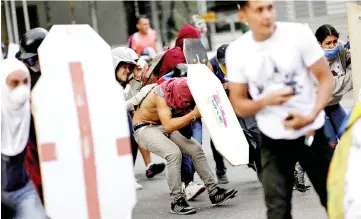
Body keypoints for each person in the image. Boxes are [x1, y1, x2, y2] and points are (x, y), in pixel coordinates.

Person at [227, 1, 334, 218]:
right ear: (243, 15)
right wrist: (264, 102)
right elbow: (238, 104)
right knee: (277, 210)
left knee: (335, 200)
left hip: (311, 133)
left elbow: (325, 79)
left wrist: (311, 115)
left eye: (270, 7)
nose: (267, 15)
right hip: (273, 140)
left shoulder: (298, 35)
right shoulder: (237, 51)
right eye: (259, 10)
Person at [132, 77, 238, 215]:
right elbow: (169, 125)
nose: (188, 105)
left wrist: (222, 88)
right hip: (144, 127)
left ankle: (214, 192)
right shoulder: (161, 95)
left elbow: (208, 89)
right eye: (186, 103)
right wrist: (193, 114)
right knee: (173, 154)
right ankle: (177, 201)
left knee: (195, 149)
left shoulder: (190, 85)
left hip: (160, 125)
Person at [208, 44, 263, 184]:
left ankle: (261, 171)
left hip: (244, 103)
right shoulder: (213, 65)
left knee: (256, 136)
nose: (226, 65)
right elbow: (207, 86)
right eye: (223, 63)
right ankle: (220, 170)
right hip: (224, 107)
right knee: (216, 140)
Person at [1, 58, 48, 219]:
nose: (21, 88)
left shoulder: (35, 111)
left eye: (25, 82)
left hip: (24, 189)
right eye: (14, 83)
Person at [112, 47, 165, 188]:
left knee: (132, 136)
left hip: (120, 113)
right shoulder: (105, 83)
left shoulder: (122, 81)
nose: (128, 70)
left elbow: (131, 102)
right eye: (125, 66)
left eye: (130, 67)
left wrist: (136, 78)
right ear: (114, 64)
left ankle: (128, 175)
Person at [16, 27, 48, 202]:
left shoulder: (61, 75)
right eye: (29, 60)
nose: (32, 64)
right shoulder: (24, 79)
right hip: (32, 143)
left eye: (34, 59)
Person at [315, 24, 353, 148]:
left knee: (348, 137)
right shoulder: (314, 61)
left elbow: (354, 62)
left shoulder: (340, 50)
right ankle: (303, 167)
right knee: (330, 143)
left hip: (333, 104)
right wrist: (354, 77)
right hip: (317, 106)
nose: (333, 46)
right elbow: (332, 86)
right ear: (319, 43)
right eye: (328, 43)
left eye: (335, 41)